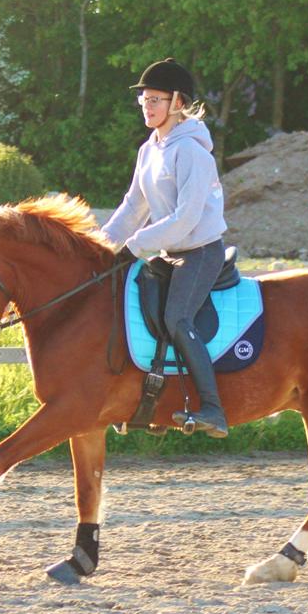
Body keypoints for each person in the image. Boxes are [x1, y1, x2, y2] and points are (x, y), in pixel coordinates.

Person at [102, 57, 229, 438]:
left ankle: (213, 408)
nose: (147, 106)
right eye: (144, 100)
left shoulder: (191, 152)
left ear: (178, 102)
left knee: (176, 318)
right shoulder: (150, 149)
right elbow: (132, 208)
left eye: (155, 99)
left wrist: (136, 245)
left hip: (200, 252)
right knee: (128, 301)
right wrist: (99, 247)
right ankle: (151, 402)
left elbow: (185, 219)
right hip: (168, 253)